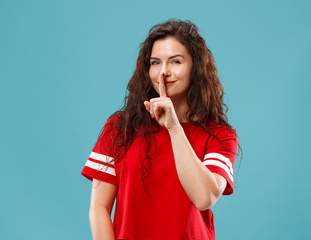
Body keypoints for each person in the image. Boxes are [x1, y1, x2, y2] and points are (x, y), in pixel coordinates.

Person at [81, 19, 239, 240]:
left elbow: (205, 198)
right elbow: (99, 209)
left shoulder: (220, 135)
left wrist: (174, 128)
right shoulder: (120, 127)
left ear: (196, 66)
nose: (163, 72)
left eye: (175, 61)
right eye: (155, 63)